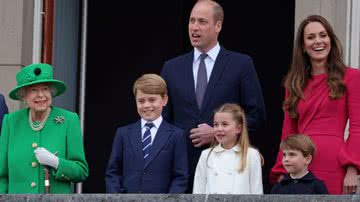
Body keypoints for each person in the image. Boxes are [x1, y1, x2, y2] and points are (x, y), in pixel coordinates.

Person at [160, 0, 265, 191]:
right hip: (180, 172)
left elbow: (256, 115)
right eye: (191, 21)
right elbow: (164, 121)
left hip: (226, 170)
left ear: (218, 25)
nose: (194, 27)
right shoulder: (171, 68)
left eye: (202, 21)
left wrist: (218, 133)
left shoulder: (240, 65)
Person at [270, 15, 360, 194]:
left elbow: (358, 127)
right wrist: (282, 168)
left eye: (323, 35)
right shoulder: (293, 83)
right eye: (311, 37)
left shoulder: (351, 76)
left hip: (334, 164)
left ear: (330, 40)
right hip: (300, 165)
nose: (318, 41)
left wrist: (353, 168)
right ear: (303, 46)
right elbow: (288, 132)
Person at [0, 63, 88, 193]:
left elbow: (81, 171)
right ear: (23, 95)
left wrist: (57, 163)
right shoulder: (11, 122)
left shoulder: (69, 120)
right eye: (33, 90)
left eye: (45, 89)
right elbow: (2, 175)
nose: (41, 95)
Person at [105, 74, 188, 193]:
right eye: (141, 101)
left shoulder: (176, 135)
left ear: (164, 100)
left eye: (152, 100)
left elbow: (180, 177)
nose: (147, 105)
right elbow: (113, 172)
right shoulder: (123, 133)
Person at [193, 103, 263, 194]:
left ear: (238, 128)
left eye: (225, 124)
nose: (219, 129)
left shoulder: (251, 155)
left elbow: (257, 193)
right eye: (216, 124)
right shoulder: (206, 155)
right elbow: (198, 191)